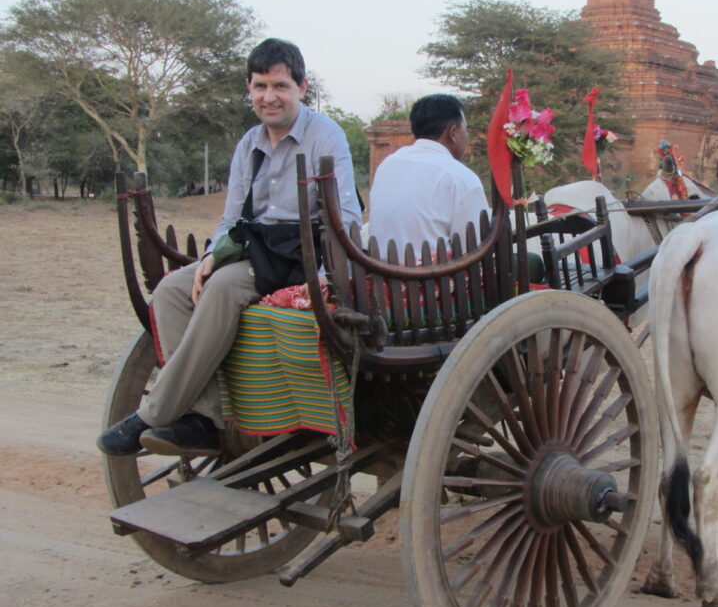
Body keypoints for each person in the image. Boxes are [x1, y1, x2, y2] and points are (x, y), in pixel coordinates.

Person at [97, 38, 361, 457]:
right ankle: (203, 419)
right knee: (172, 289)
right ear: (250, 89)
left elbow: (345, 216)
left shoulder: (325, 137)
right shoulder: (249, 145)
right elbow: (231, 217)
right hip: (255, 248)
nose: (269, 97)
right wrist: (209, 258)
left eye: (279, 86)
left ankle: (154, 413)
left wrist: (326, 282)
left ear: (301, 87)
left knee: (222, 288)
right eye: (260, 87)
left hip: (303, 255)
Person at [368, 94, 489, 251]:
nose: (467, 136)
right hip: (439, 274)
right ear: (453, 133)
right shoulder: (461, 177)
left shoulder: (387, 165)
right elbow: (476, 248)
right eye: (465, 129)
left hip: (382, 273)